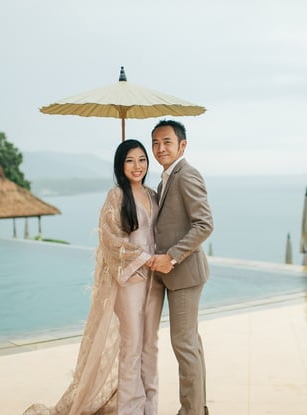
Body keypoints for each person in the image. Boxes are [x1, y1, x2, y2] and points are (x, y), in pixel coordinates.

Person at [25, 139, 164, 415]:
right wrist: (143, 259)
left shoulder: (152, 195)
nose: (137, 166)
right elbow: (110, 238)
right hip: (131, 279)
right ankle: (131, 410)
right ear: (120, 165)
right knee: (131, 346)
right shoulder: (116, 196)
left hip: (155, 281)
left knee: (151, 346)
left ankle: (151, 407)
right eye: (130, 160)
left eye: (142, 159)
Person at [147, 120, 214, 415]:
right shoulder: (164, 181)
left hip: (184, 275)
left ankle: (191, 412)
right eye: (156, 143)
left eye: (167, 142)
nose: (161, 148)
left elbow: (205, 224)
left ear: (182, 145)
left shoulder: (187, 175)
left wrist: (171, 256)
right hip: (177, 276)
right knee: (191, 346)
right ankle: (197, 408)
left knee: (184, 347)